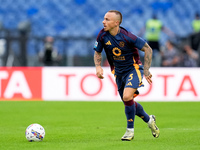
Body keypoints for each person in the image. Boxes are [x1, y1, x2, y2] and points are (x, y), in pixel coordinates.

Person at [93, 10, 160, 141]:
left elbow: (148, 49)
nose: (103, 21)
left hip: (133, 69)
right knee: (128, 101)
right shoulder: (102, 35)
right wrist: (98, 67)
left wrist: (146, 70)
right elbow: (98, 52)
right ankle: (149, 119)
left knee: (127, 96)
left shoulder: (127, 36)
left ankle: (130, 131)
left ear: (116, 22)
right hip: (118, 72)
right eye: (104, 18)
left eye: (107, 19)